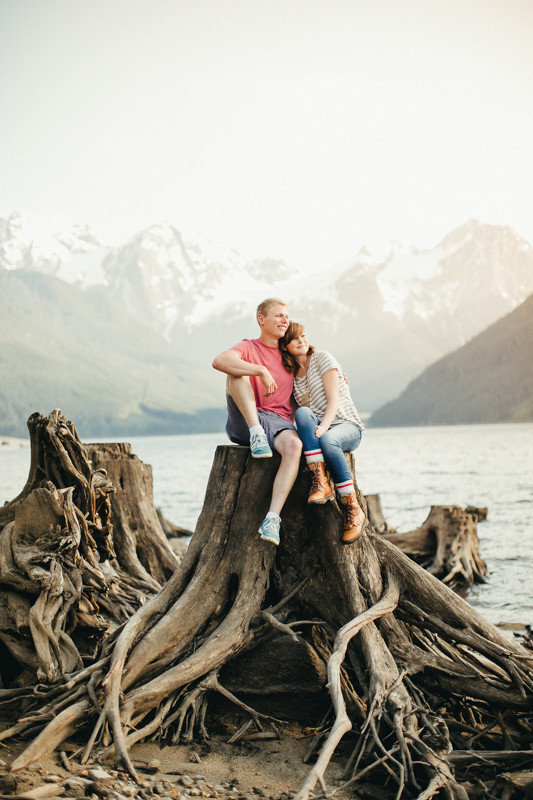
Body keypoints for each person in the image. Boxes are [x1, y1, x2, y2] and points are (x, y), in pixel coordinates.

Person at [212, 298, 302, 546]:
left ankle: (272, 519)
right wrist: (260, 370)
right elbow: (219, 361)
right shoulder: (248, 346)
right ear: (261, 319)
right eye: (278, 315)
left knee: (295, 448)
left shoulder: (289, 354)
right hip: (246, 418)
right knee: (235, 371)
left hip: (278, 421)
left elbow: (314, 366)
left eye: (287, 315)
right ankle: (256, 434)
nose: (285, 320)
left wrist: (336, 376)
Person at [278, 322, 366, 543]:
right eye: (295, 339)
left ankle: (353, 508)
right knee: (304, 413)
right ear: (286, 347)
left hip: (346, 425)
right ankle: (321, 482)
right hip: (319, 427)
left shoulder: (323, 358)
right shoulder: (293, 377)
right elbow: (295, 414)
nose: (302, 340)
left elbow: (334, 399)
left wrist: (325, 426)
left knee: (328, 441)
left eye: (303, 336)